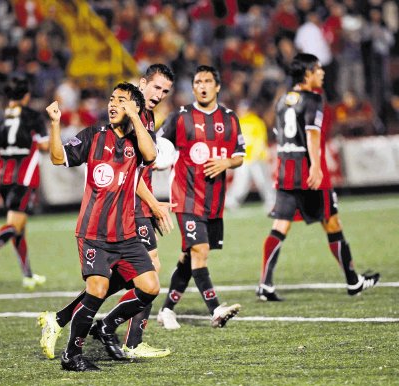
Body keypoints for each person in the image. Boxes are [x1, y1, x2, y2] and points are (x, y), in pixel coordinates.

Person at [38, 65, 175, 362]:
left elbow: (151, 155)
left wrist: (136, 116)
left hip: (125, 235)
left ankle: (105, 325)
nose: (112, 104)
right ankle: (72, 355)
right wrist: (56, 124)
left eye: (120, 100)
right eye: (112, 99)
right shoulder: (94, 135)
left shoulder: (138, 140)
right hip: (94, 234)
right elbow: (59, 157)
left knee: (150, 286)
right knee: (98, 289)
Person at [256, 53, 380, 302]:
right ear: (307, 73)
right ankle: (353, 281)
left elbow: (278, 132)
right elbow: (312, 134)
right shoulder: (313, 98)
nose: (322, 73)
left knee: (280, 226)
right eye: (318, 69)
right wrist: (315, 168)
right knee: (333, 224)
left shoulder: (282, 101)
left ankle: (265, 285)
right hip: (308, 171)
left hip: (286, 171)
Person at [156, 65, 246, 330]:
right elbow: (156, 144)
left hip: (214, 201)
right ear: (193, 87)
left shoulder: (230, 118)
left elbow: (240, 156)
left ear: (217, 86)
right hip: (186, 196)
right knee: (200, 251)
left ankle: (166, 310)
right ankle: (216, 309)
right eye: (198, 82)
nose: (203, 86)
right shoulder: (180, 117)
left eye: (208, 81)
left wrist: (226, 162)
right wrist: (160, 160)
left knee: (189, 257)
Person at [0, 75, 48, 290]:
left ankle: (28, 275)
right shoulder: (33, 117)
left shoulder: (1, 118)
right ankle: (28, 274)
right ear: (26, 96)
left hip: (5, 178)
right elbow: (45, 147)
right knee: (15, 226)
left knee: (19, 228)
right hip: (24, 178)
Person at [225, 99, 275, 213]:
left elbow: (261, 139)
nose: (243, 111)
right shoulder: (238, 122)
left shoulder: (256, 121)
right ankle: (231, 201)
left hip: (256, 157)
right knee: (241, 182)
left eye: (245, 109)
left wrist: (258, 153)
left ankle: (272, 200)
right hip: (244, 158)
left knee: (263, 180)